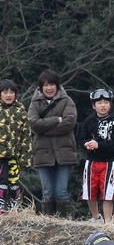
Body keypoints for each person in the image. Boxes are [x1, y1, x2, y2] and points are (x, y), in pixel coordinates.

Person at [28, 70, 77, 216]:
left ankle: (63, 224)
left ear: (57, 85)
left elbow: (69, 123)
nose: (49, 88)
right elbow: (33, 124)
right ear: (41, 87)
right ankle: (48, 225)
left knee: (61, 191)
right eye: (45, 85)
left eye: (52, 84)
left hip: (64, 152)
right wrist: (56, 120)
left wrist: (44, 129)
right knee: (47, 192)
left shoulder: (67, 101)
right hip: (42, 153)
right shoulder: (35, 102)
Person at [78, 89, 114, 223]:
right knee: (89, 192)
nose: (103, 105)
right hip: (91, 162)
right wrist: (87, 144)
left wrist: (99, 145)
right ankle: (96, 217)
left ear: (110, 105)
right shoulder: (88, 121)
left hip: (109, 163)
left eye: (106, 102)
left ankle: (108, 221)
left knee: (108, 194)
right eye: (99, 102)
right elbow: (81, 139)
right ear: (94, 106)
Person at [0, 80, 32, 214]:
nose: (8, 95)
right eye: (5, 92)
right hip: (0, 155)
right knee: (1, 180)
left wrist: (26, 158)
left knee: (14, 181)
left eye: (11, 92)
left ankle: (14, 206)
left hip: (15, 155)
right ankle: (1, 206)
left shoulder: (21, 111)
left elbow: (26, 136)